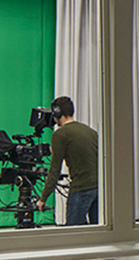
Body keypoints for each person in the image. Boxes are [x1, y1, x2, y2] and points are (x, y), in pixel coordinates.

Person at [36, 96, 99, 226]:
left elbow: (54, 169)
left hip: (81, 188)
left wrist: (43, 199)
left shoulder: (60, 135)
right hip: (99, 188)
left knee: (73, 232)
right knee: (96, 231)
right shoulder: (90, 131)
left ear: (57, 113)